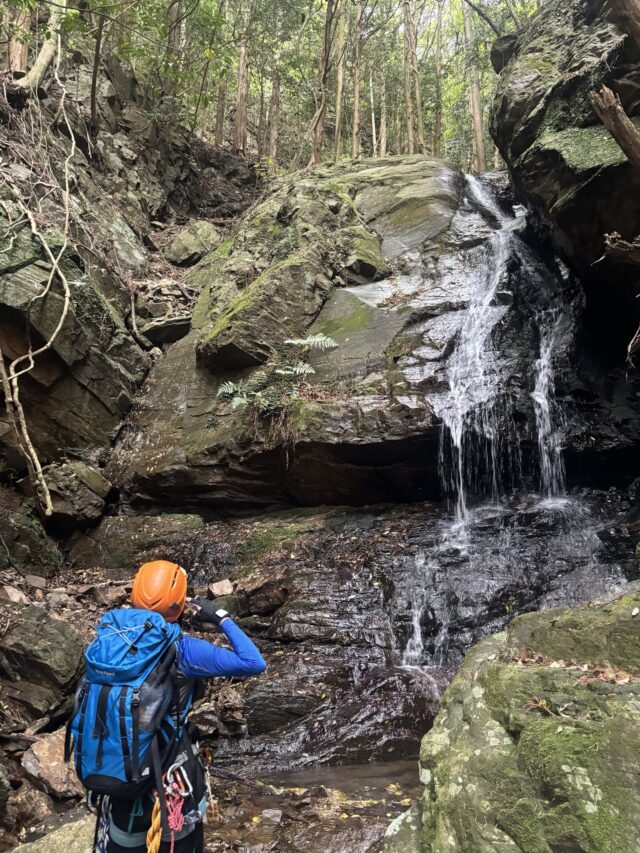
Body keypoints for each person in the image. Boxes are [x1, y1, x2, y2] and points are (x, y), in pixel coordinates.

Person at [104, 560, 267, 853]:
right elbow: (253, 662)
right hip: (170, 781)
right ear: (180, 605)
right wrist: (221, 617)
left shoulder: (108, 639)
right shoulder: (184, 650)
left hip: (115, 772)